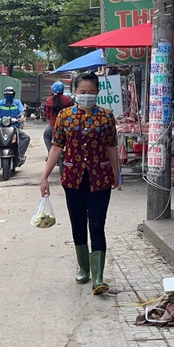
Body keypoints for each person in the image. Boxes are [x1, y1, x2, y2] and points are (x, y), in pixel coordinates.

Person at [40, 72, 120, 295]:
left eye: (91, 92)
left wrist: (116, 173)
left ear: (98, 92)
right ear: (74, 92)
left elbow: (112, 146)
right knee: (77, 223)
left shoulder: (106, 116)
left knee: (97, 224)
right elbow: (57, 147)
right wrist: (45, 176)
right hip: (72, 178)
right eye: (82, 92)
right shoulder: (65, 116)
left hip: (100, 178)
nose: (87, 95)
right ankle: (83, 268)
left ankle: (98, 276)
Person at [0, 86, 30, 161]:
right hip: (2, 128)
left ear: (13, 95)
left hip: (15, 128)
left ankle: (20, 155)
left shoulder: (17, 103)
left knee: (26, 138)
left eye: (10, 95)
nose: (8, 96)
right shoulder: (0, 103)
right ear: (4, 95)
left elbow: (22, 112)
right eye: (7, 95)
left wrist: (22, 117)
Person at [43, 81, 73, 152]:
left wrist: (51, 119)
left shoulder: (49, 100)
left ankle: (50, 153)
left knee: (46, 136)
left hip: (53, 124)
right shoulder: (67, 99)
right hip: (67, 124)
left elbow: (47, 114)